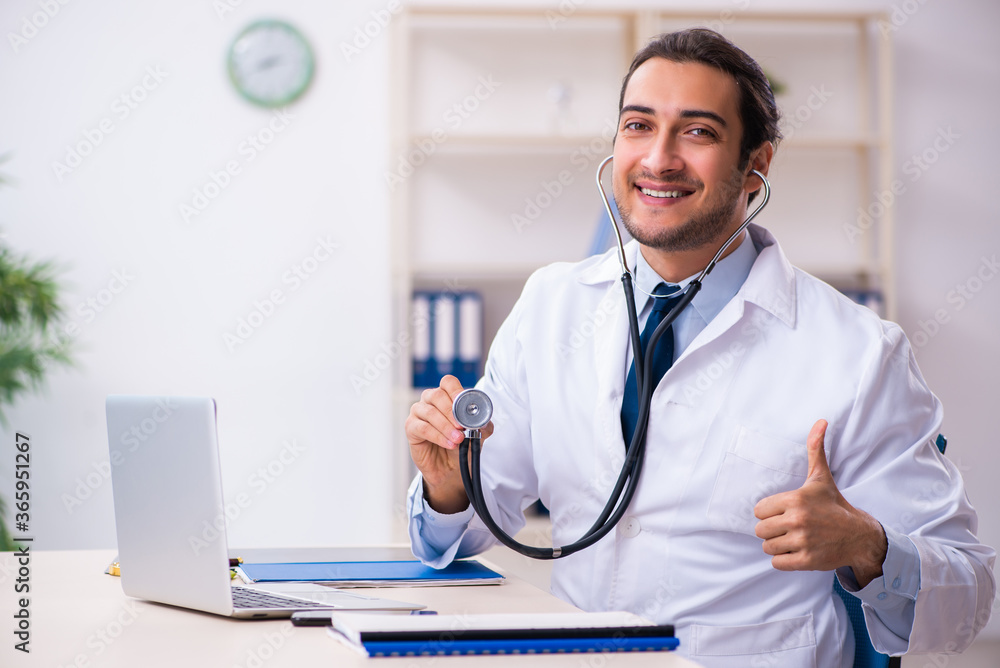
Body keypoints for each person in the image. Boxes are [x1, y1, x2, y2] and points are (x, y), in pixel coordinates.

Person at [404, 28, 995, 667]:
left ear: (757, 166)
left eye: (699, 132)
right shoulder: (551, 305)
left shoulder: (858, 352)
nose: (659, 159)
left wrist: (866, 546)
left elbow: (966, 598)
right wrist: (448, 490)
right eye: (638, 125)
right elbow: (469, 528)